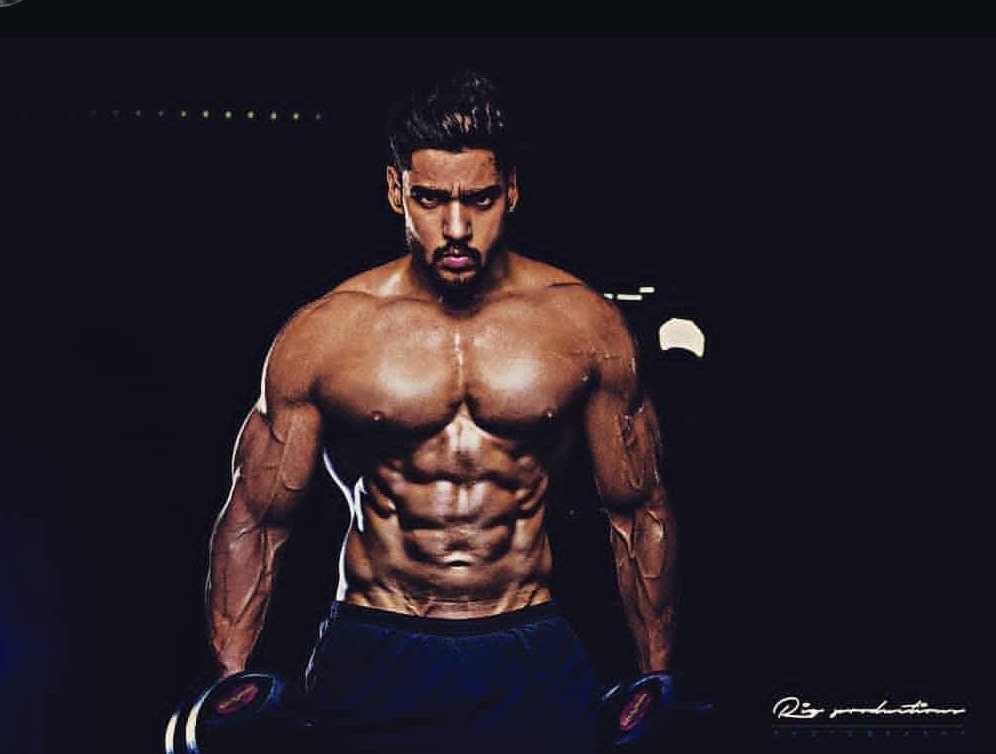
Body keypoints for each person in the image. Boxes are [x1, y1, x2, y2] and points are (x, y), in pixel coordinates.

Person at [204, 70, 677, 753]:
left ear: (511, 189)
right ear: (396, 190)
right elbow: (257, 518)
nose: (456, 227)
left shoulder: (584, 327)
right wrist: (231, 682)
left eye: (479, 200)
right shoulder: (325, 336)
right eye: (430, 200)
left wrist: (655, 677)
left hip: (528, 644)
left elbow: (640, 508)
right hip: (377, 642)